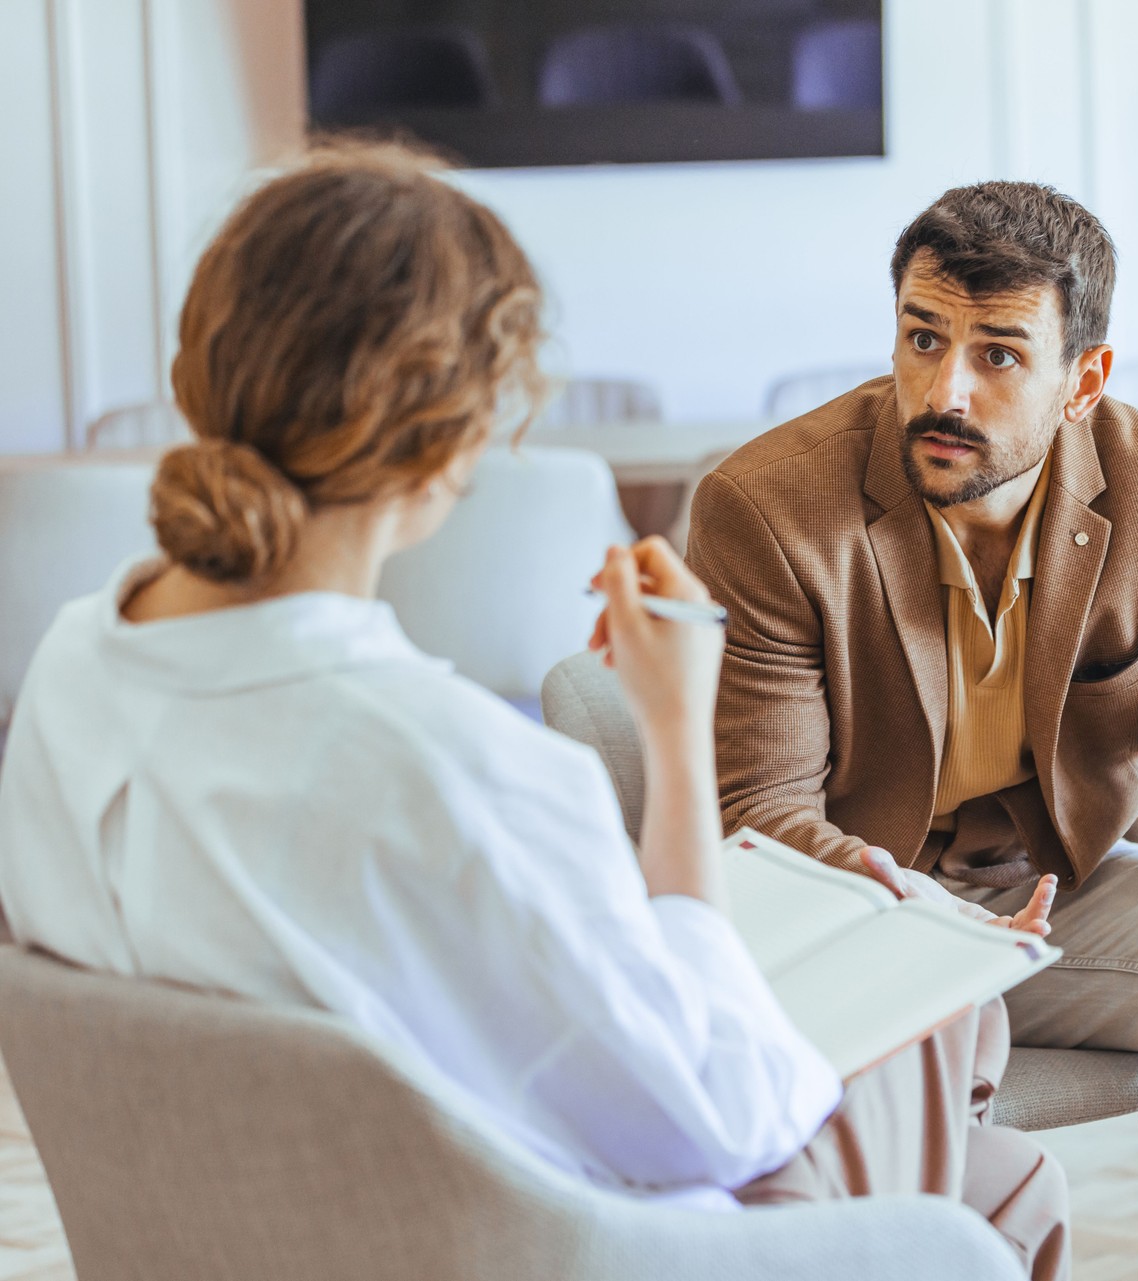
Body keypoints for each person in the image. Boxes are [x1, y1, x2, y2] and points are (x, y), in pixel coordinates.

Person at [0, 145, 1066, 1278]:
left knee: (1008, 1179)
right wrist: (674, 729)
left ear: (198, 371)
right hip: (564, 1248)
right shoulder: (449, 769)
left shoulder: (67, 676)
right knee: (940, 1031)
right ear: (450, 450)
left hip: (260, 1240)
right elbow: (726, 1117)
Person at [686, 181, 1138, 1281]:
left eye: (999, 355)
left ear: (1083, 380)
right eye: (922, 338)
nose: (942, 389)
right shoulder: (766, 510)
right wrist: (911, 919)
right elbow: (759, 815)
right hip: (862, 907)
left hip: (1060, 903)